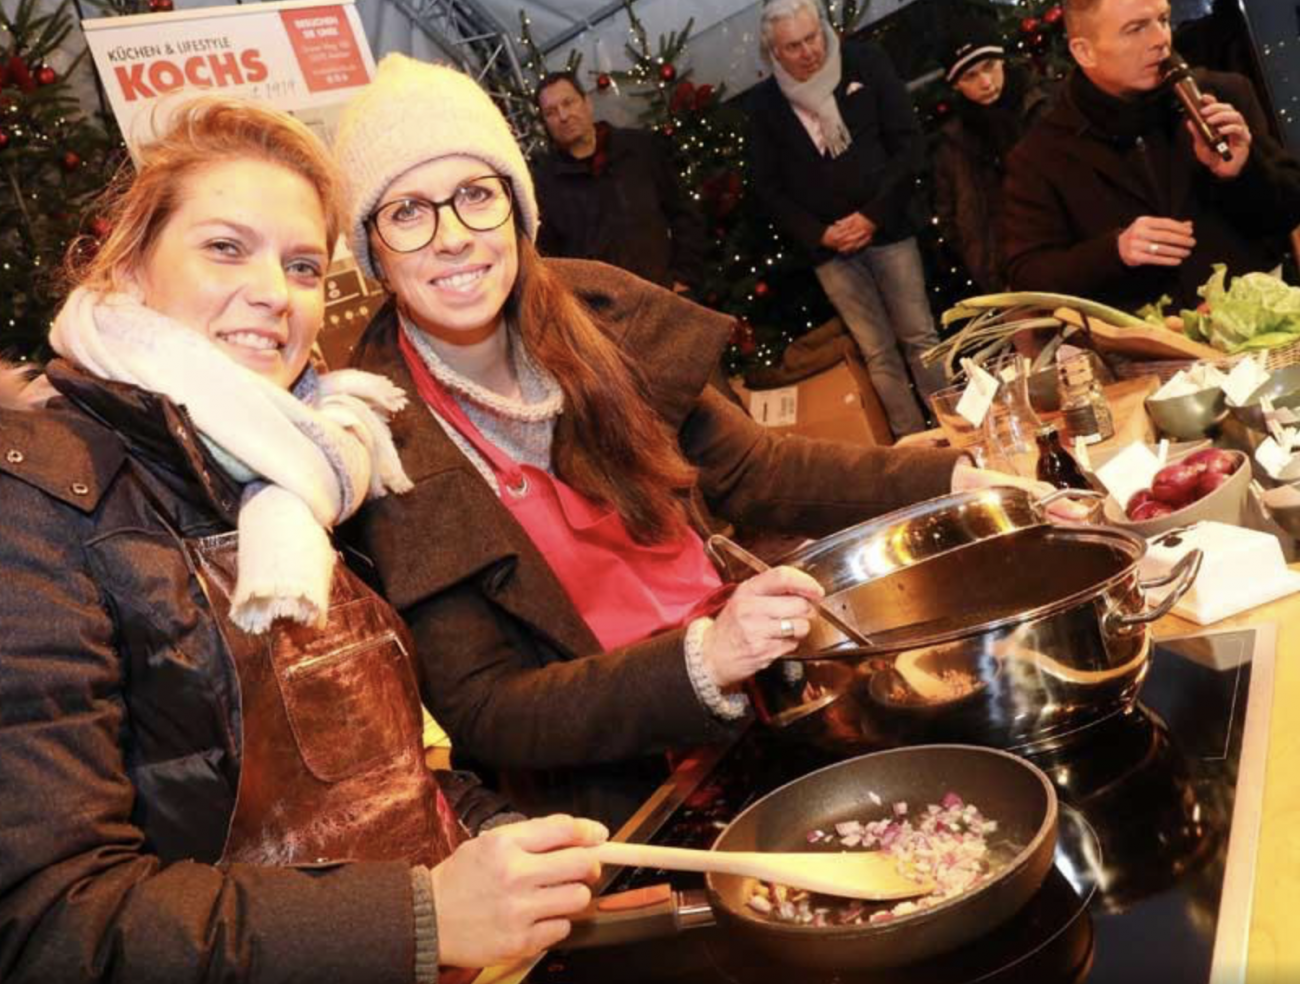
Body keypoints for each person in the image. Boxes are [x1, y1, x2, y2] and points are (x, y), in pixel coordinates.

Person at [334, 55, 1081, 829]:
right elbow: (486, 707)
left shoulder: (602, 317)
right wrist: (702, 661)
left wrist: (961, 483)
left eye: (476, 196)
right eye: (407, 212)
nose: (453, 237)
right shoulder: (381, 439)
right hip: (627, 801)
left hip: (763, 711)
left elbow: (760, 469)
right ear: (373, 250)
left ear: (518, 211)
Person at [0, 95, 607, 984]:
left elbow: (378, 775)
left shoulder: (308, 475)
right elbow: (49, 921)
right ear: (128, 270)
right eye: (223, 248)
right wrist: (420, 919)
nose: (272, 293)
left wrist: (498, 838)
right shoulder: (39, 500)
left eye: (300, 266)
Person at [1001, 0, 1300, 312]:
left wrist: (1243, 171)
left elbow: (1289, 209)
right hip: (1141, 353)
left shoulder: (1223, 96)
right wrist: (1114, 251)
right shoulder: (1041, 155)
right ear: (1084, 51)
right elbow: (1028, 277)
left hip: (1258, 336)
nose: (1161, 39)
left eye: (1163, 19)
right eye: (1136, 29)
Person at [746, 0, 944, 439]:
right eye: (793, 46)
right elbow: (767, 187)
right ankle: (915, 447)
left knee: (919, 337)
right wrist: (820, 234)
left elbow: (908, 145)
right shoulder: (764, 105)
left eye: (813, 36)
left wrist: (872, 215)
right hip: (829, 251)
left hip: (888, 228)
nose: (809, 51)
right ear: (773, 53)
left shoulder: (866, 62)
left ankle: (956, 429)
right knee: (877, 353)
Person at [532, 71, 709, 294]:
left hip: (669, 297)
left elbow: (683, 213)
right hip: (606, 320)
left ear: (587, 103)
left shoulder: (640, 148)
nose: (563, 116)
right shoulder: (544, 186)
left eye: (568, 103)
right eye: (551, 112)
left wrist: (684, 278)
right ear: (545, 124)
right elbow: (552, 265)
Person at [933, 21, 1055, 293]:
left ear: (1002, 60)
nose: (985, 83)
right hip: (1007, 278)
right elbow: (951, 217)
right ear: (955, 85)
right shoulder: (952, 145)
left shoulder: (1044, 106)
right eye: (970, 76)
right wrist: (983, 262)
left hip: (1067, 252)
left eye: (989, 66)